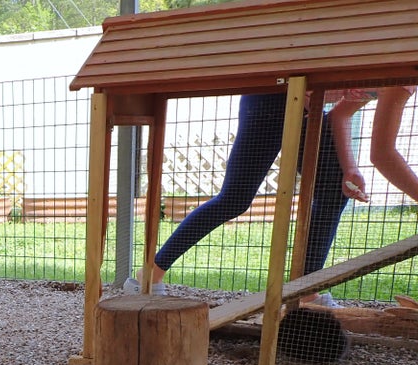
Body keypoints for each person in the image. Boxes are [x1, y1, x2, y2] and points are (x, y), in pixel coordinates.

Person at [125, 86, 418, 307]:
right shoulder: (405, 60)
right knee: (235, 198)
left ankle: (306, 289)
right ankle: (148, 274)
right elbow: (383, 154)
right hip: (272, 91)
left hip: (307, 106)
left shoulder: (400, 73)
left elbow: (341, 114)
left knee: (333, 189)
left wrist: (350, 169)